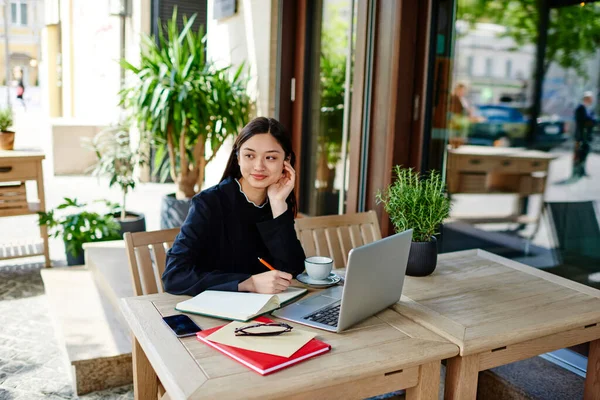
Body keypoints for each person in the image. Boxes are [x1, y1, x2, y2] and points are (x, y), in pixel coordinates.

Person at [162, 117, 306, 296]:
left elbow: (293, 270)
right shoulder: (209, 203)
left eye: (270, 157)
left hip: (267, 312)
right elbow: (174, 275)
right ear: (238, 157)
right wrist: (248, 283)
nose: (259, 166)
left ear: (286, 160)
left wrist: (278, 205)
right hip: (214, 313)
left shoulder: (277, 201)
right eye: (250, 156)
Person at [572, 91, 596, 178]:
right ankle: (576, 171)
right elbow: (585, 121)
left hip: (587, 136)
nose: (591, 100)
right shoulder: (580, 108)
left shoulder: (589, 109)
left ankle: (582, 170)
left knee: (584, 153)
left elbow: (593, 120)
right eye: (589, 99)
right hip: (581, 136)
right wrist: (591, 120)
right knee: (579, 153)